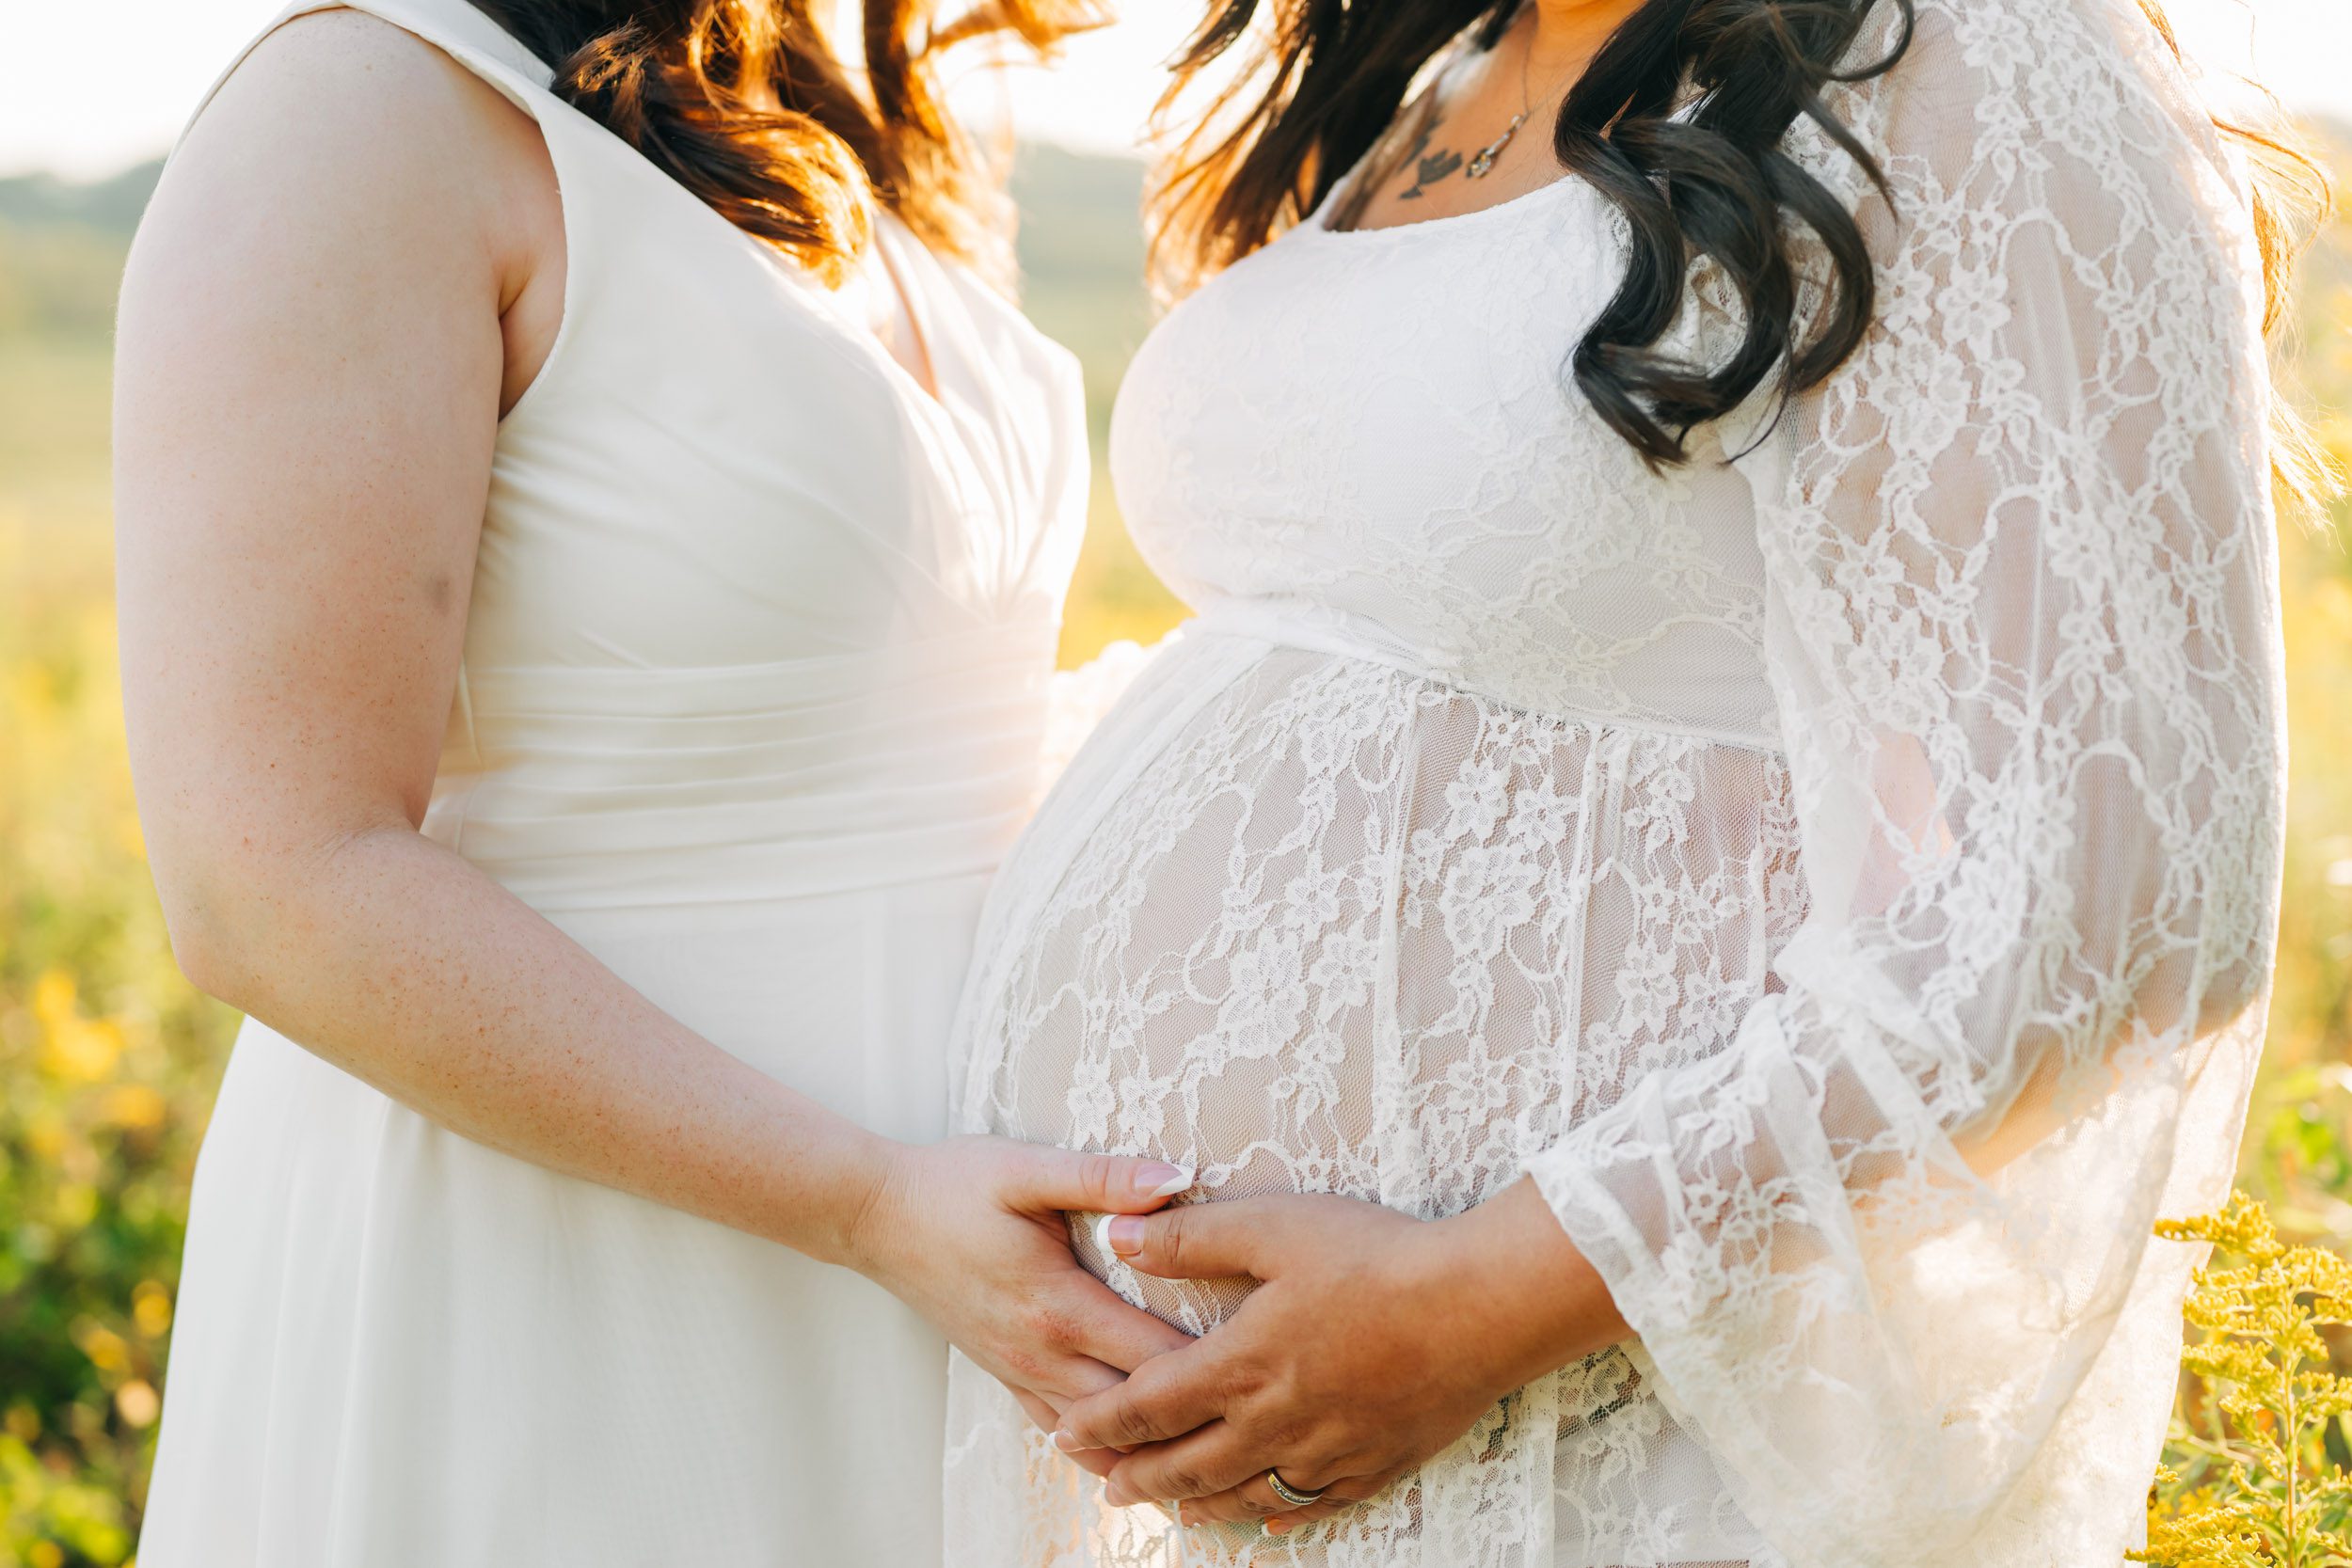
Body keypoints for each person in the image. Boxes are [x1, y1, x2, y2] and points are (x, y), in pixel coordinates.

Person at [942, 0, 2321, 1561]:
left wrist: (1472, 1302)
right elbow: (1326, 666)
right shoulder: (1434, 69)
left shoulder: (1970, 58)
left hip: (1579, 1413)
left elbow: (2128, 877)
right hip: (1191, 1455)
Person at [112, 2, 1191, 1562]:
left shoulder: (845, 99)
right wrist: (862, 1203)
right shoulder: (357, 111)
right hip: (578, 1279)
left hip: (958, 1281)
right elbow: (265, 883)